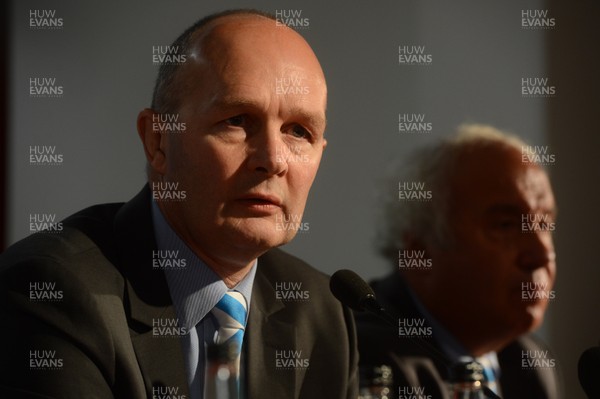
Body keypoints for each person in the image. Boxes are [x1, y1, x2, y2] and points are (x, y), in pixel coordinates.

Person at [0, 10, 358, 399]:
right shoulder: (54, 289)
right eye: (237, 120)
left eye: (299, 131)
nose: (273, 159)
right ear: (158, 141)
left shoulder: (323, 313)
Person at [356, 124, 561, 398]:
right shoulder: (365, 359)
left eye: (544, 223)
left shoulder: (529, 361)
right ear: (421, 251)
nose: (541, 254)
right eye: (505, 225)